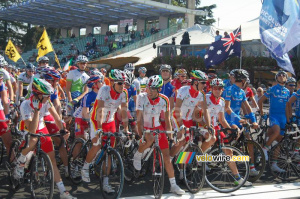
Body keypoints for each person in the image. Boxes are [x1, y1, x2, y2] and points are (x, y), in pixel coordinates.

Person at [15, 78, 77, 199]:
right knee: (33, 140)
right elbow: (32, 130)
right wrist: (37, 110)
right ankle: (21, 160)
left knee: (52, 161)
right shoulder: (25, 105)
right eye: (46, 96)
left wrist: (63, 130)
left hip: (41, 126)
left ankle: (63, 192)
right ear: (38, 95)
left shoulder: (46, 102)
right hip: (28, 128)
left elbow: (56, 118)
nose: (49, 98)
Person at [133, 75, 185, 195]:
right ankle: (138, 154)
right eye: (148, 88)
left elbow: (167, 120)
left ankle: (173, 185)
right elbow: (139, 119)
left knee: (166, 157)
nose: (149, 91)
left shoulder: (164, 99)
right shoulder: (142, 97)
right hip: (145, 126)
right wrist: (141, 135)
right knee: (149, 139)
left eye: (152, 89)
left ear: (159, 90)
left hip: (157, 126)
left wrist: (170, 136)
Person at [195, 78, 253, 186]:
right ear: (211, 89)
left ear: (222, 90)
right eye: (215, 88)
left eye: (220, 88)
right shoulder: (205, 98)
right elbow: (196, 114)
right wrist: (204, 124)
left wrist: (230, 129)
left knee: (228, 151)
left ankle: (237, 178)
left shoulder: (221, 101)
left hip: (215, 127)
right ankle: (198, 156)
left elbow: (222, 119)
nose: (217, 90)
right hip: (202, 126)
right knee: (211, 138)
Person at [81, 69, 128, 193]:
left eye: (124, 83)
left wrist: (126, 129)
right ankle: (85, 167)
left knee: (109, 151)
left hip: (111, 121)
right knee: (96, 145)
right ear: (112, 82)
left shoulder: (124, 93)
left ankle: (106, 182)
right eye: (119, 83)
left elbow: (123, 112)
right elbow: (100, 110)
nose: (122, 86)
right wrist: (100, 128)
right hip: (97, 119)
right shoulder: (104, 90)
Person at [170, 70, 212, 180]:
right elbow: (177, 108)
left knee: (189, 144)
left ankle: (182, 172)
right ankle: (168, 158)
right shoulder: (184, 90)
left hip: (188, 119)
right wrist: (181, 125)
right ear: (195, 82)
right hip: (177, 117)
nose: (205, 85)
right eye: (203, 83)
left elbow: (205, 110)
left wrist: (209, 125)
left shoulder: (201, 94)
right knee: (182, 140)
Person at [223, 69, 259, 177]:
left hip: (238, 119)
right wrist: (238, 118)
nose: (246, 83)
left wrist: (254, 121)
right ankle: (225, 154)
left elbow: (248, 108)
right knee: (235, 133)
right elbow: (227, 108)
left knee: (249, 140)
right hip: (229, 119)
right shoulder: (229, 90)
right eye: (246, 81)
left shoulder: (242, 92)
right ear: (242, 80)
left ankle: (252, 166)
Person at [259, 71, 290, 172]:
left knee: (280, 141)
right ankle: (265, 148)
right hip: (274, 116)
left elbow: (287, 106)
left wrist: (288, 120)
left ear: (286, 78)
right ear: (276, 78)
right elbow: (260, 100)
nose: (281, 76)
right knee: (276, 131)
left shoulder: (287, 91)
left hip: (283, 118)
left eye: (283, 75)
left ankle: (274, 164)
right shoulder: (272, 89)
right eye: (279, 75)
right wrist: (262, 112)